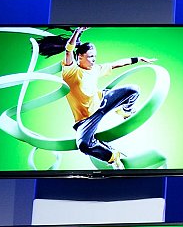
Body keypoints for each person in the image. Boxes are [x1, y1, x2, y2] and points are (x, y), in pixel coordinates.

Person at [61, 26, 155, 170]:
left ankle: (124, 111)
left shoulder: (96, 69)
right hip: (86, 118)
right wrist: (77, 32)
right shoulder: (70, 71)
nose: (94, 60)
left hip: (102, 101)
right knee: (83, 145)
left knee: (133, 90)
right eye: (90, 57)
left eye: (95, 57)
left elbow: (116, 64)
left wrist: (138, 59)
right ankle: (113, 157)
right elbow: (68, 50)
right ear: (80, 56)